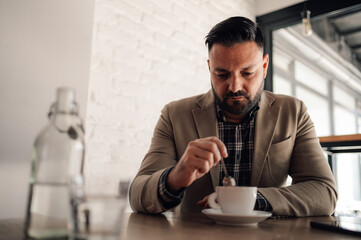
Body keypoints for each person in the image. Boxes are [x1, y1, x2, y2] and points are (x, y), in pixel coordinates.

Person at [129, 16, 337, 217]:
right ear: (210, 68)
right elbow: (137, 195)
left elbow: (324, 192)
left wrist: (250, 200)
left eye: (247, 73)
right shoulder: (174, 115)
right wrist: (175, 177)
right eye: (222, 74)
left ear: (264, 67)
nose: (235, 86)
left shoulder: (294, 112)